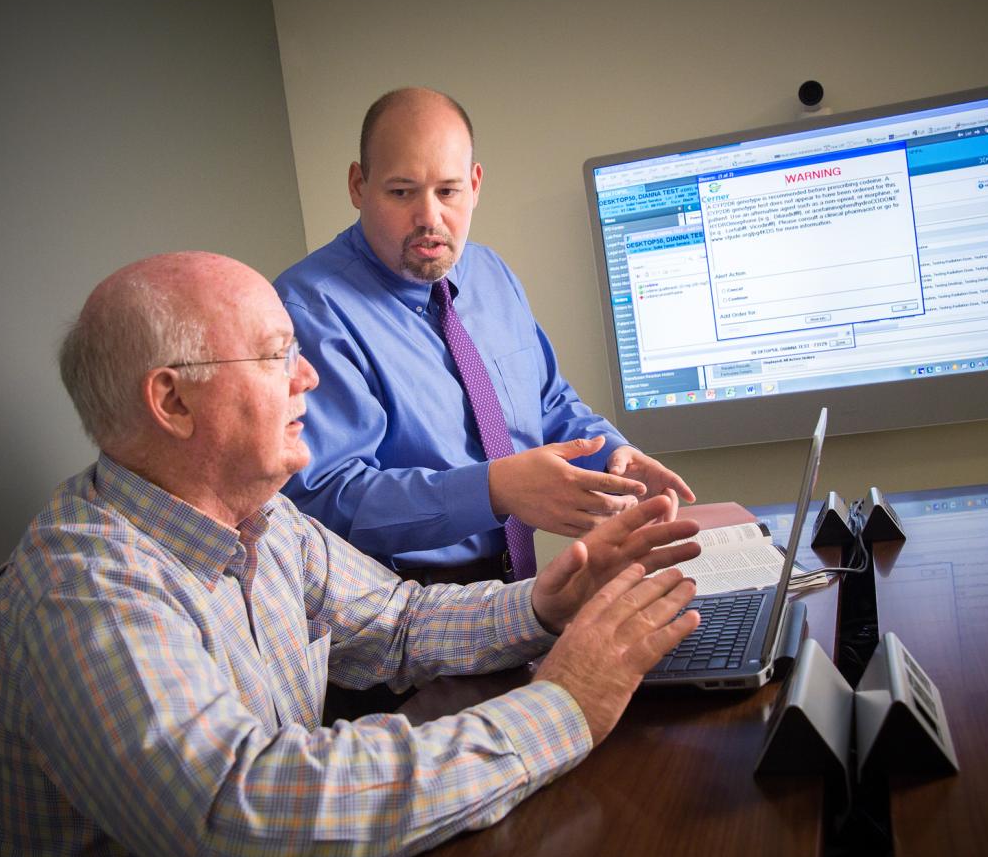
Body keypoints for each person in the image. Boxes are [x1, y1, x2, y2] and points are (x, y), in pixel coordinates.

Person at [0, 250, 702, 857]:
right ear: (173, 402)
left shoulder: (264, 520)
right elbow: (237, 818)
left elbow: (400, 624)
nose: (309, 375)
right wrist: (562, 706)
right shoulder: (81, 591)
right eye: (277, 353)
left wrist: (546, 606)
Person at [275, 87, 696, 585]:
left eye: (447, 191)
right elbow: (327, 501)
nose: (429, 217)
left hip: (522, 585)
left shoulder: (489, 272)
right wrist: (494, 490)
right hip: (401, 607)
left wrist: (612, 456)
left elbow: (548, 401)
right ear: (357, 185)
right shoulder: (309, 310)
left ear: (475, 185)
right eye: (401, 191)